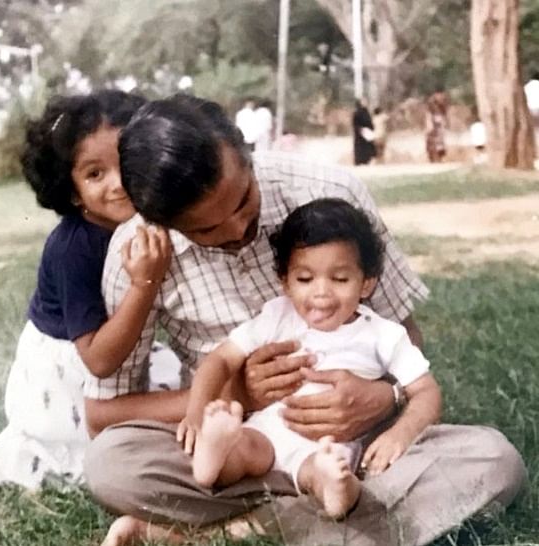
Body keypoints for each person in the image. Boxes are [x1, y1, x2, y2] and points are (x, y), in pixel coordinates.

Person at [82, 94, 526, 546]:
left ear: (246, 154)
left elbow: (402, 333)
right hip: (240, 449)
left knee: (493, 461)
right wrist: (238, 394)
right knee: (112, 462)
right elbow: (102, 415)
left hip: (351, 448)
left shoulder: (328, 190)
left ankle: (236, 531)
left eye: (244, 201)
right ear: (160, 222)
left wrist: (385, 396)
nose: (239, 231)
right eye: (207, 231)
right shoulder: (137, 257)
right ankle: (336, 525)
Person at [0, 89, 174, 490]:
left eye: (127, 163)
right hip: (72, 373)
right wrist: (145, 283)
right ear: (70, 190)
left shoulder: (144, 222)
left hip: (121, 348)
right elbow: (98, 361)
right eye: (95, 174)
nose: (118, 184)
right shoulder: (73, 248)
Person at [177, 198, 441, 521]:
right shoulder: (277, 315)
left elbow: (426, 391)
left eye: (340, 279)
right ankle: (213, 454)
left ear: (367, 283)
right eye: (305, 279)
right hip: (268, 431)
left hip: (328, 446)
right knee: (243, 450)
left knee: (326, 473)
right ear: (284, 281)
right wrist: (195, 413)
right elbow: (219, 360)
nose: (321, 293)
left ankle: (336, 492)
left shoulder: (383, 335)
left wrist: (399, 434)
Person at [425, 89, 449, 163]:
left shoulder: (442, 104)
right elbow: (428, 114)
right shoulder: (431, 103)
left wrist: (443, 123)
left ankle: (440, 157)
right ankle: (433, 157)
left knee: (440, 140)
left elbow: (444, 115)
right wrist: (429, 123)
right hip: (433, 122)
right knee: (432, 140)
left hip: (439, 122)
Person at [352, 99, 376, 165]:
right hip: (361, 134)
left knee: (367, 148)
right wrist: (361, 129)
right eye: (364, 102)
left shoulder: (366, 112)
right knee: (360, 149)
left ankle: (366, 160)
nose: (365, 103)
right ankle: (360, 161)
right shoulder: (357, 112)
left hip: (366, 134)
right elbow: (355, 124)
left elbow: (369, 122)